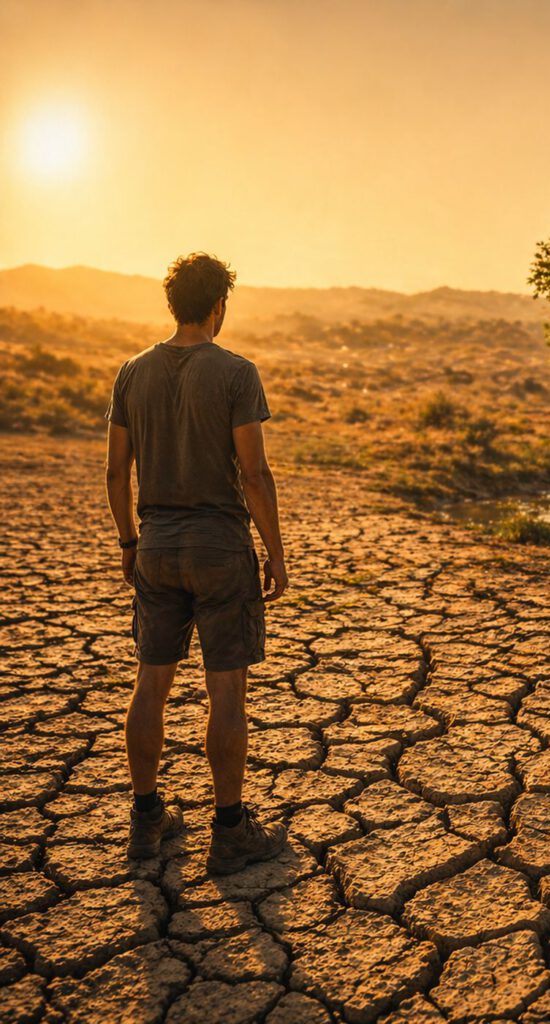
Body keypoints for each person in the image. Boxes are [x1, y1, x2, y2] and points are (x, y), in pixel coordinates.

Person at [105, 252, 289, 875]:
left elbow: (114, 469)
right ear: (218, 307)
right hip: (218, 549)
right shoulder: (237, 374)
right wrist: (276, 551)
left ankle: (146, 814)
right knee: (226, 689)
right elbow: (255, 473)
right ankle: (230, 830)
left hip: (154, 547)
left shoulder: (132, 372)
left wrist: (130, 543)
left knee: (149, 684)